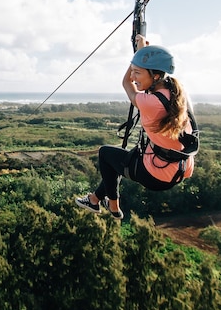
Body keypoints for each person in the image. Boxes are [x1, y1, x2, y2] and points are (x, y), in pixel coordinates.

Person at [75, 35, 196, 220]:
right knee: (124, 159)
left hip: (156, 176)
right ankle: (94, 199)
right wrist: (141, 55)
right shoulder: (178, 93)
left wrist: (139, 52)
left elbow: (126, 84)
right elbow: (142, 81)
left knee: (106, 154)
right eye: (133, 71)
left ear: (155, 75)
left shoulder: (151, 102)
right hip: (180, 169)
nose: (133, 76)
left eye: (137, 72)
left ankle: (113, 205)